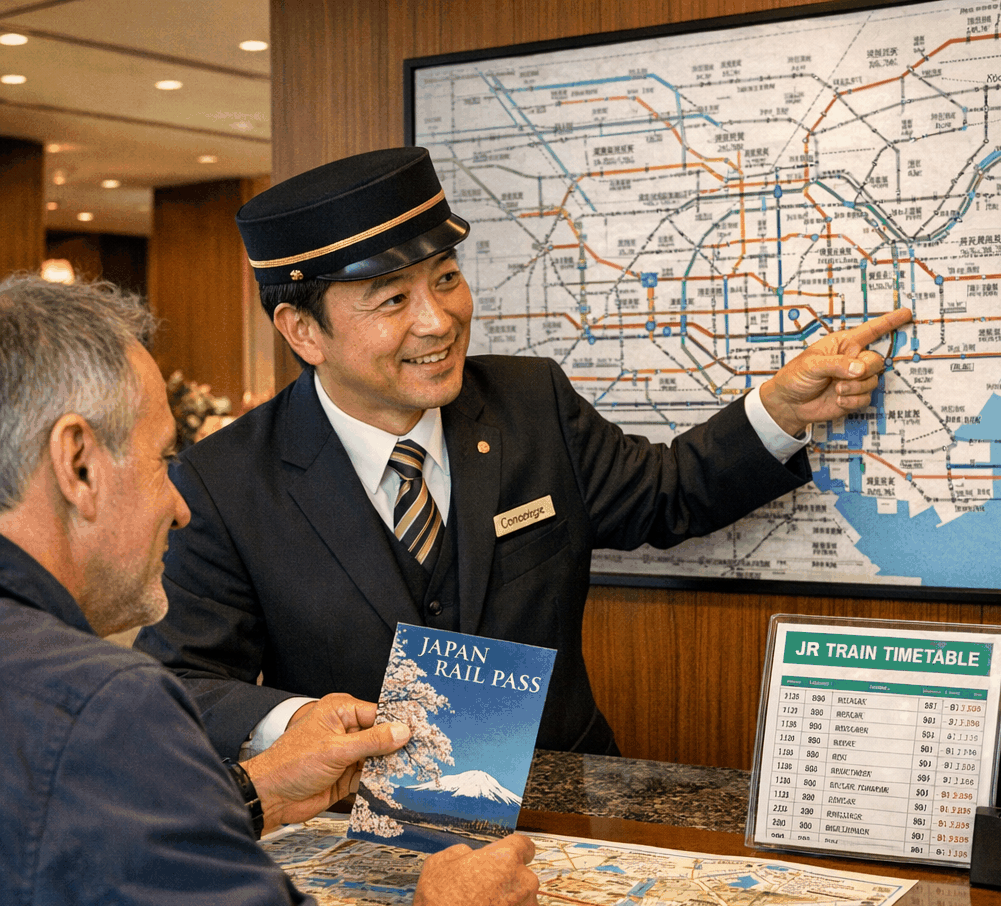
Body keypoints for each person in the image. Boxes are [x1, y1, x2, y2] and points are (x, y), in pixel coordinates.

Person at [135, 146, 912, 759]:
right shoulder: (226, 481)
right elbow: (181, 682)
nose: (439, 321)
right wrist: (307, 723)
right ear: (302, 331)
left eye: (446, 279)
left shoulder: (529, 405)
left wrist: (780, 410)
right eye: (394, 300)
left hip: (568, 802)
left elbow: (668, 493)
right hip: (358, 822)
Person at [0, 274, 539, 906]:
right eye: (161, 462)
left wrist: (252, 794)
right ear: (78, 464)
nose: (180, 507)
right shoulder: (99, 706)